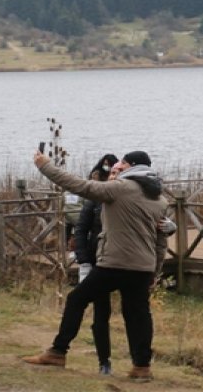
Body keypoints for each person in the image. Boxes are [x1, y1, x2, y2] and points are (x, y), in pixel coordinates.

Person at [24, 150, 169, 381]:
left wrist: (45, 166)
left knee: (77, 299)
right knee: (138, 314)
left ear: (130, 166)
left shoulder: (120, 188)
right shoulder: (159, 199)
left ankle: (58, 352)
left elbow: (81, 186)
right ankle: (141, 367)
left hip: (115, 263)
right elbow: (161, 240)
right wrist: (155, 270)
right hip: (143, 267)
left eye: (122, 162)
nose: (117, 165)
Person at [73, 153, 119, 376]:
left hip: (120, 262)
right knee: (99, 313)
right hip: (95, 261)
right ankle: (104, 361)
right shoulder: (93, 202)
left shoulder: (123, 199)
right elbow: (81, 230)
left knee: (132, 313)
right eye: (103, 175)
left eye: (111, 174)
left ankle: (139, 363)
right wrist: (83, 261)